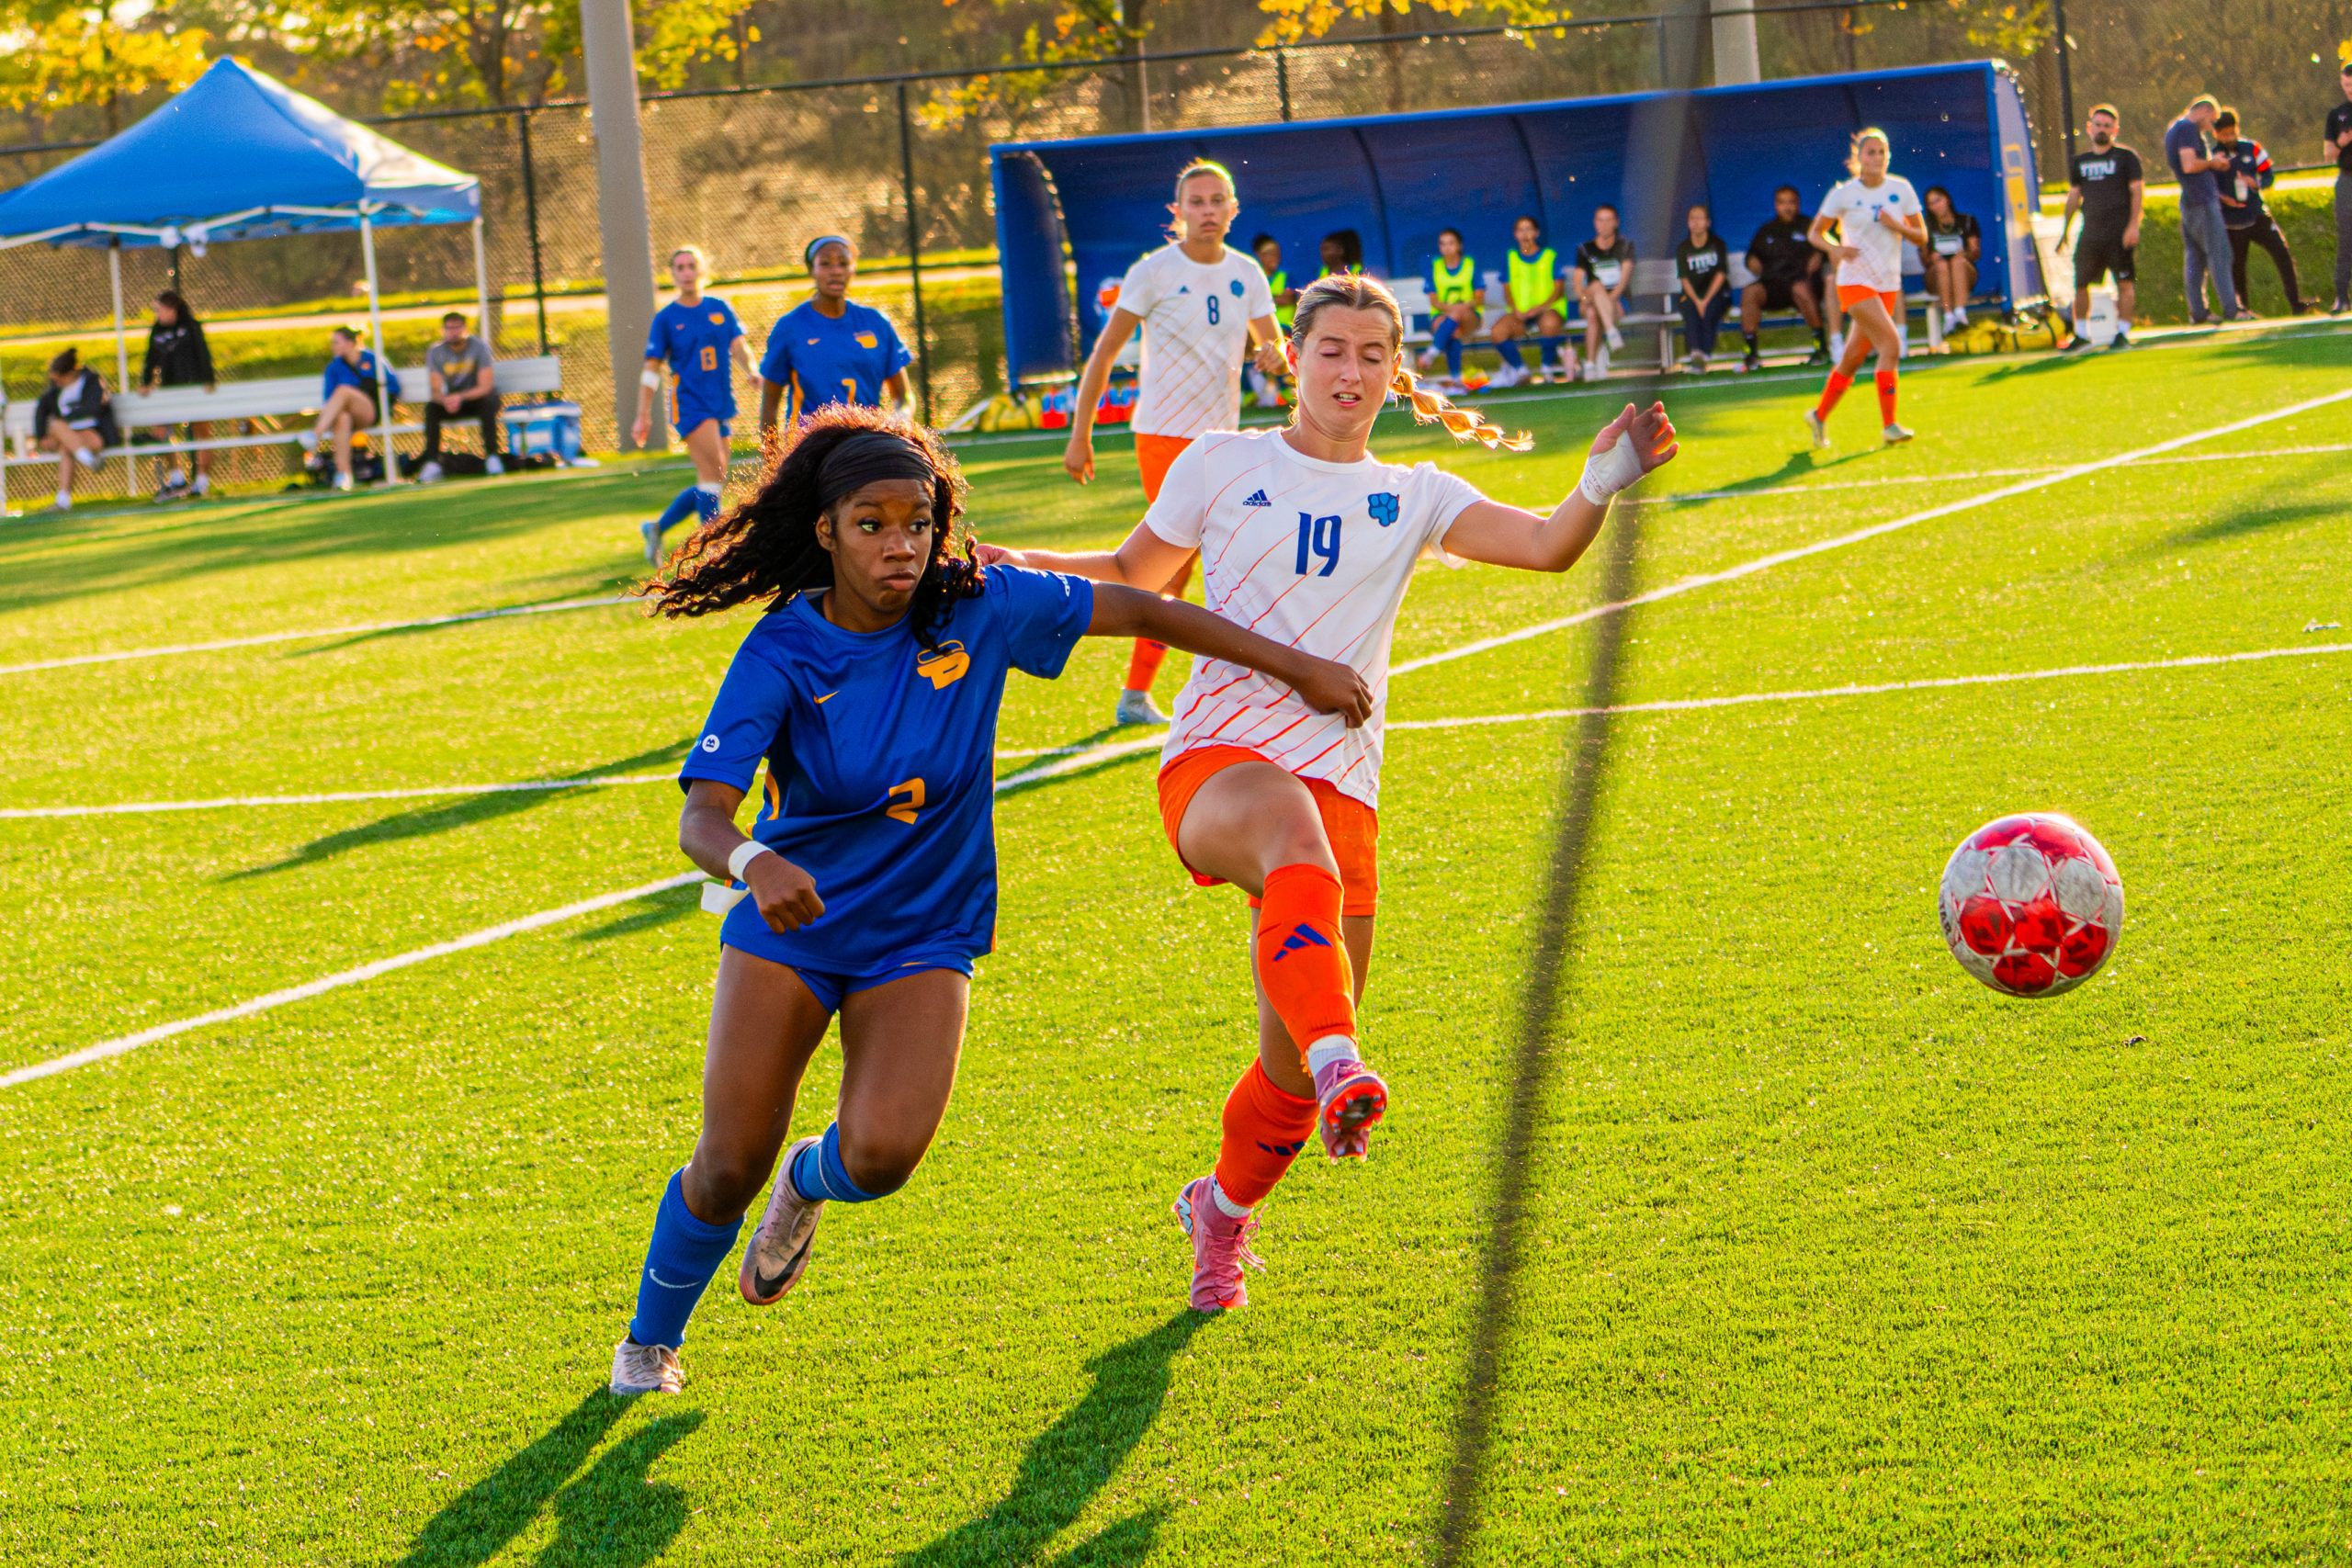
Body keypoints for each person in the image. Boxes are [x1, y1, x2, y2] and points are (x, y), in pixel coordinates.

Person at [605, 405, 1371, 1394]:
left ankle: (808, 1179)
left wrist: (1298, 667)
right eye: (872, 524)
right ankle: (648, 1343)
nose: (901, 545)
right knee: (725, 1164)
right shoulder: (782, 649)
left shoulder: (980, 605)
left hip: (925, 931)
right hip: (794, 926)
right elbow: (702, 817)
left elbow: (1146, 609)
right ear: (826, 530)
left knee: (881, 1157)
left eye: (918, 522)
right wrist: (754, 862)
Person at [977, 275, 1678, 1313]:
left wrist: (1604, 477)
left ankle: (1221, 1211)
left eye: (1371, 355)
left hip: (1344, 781)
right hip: (1221, 760)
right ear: (1291, 359)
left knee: (1292, 1070)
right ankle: (1347, 1057)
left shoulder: (1418, 493)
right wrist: (1018, 562)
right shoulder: (1222, 462)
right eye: (1332, 351)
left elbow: (1546, 547)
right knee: (1297, 878)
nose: (1350, 372)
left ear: (1395, 374)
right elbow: (1132, 569)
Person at [1060, 160, 1286, 729]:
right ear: (1178, 212)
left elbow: (1278, 350)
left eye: (1217, 201)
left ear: (1233, 210)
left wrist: (1276, 355)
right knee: (1178, 563)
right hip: (1163, 436)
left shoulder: (1247, 273)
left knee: (1239, 557)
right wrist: (1081, 434)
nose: (1208, 211)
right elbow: (1104, 355)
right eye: (1197, 202)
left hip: (1224, 443)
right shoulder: (1154, 271)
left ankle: (1235, 687)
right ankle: (1135, 693)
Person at [1805, 128, 1926, 449]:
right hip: (1854, 281)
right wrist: (1834, 249)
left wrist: (1897, 225)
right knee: (1891, 345)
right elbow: (1816, 233)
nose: (1877, 158)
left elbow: (1922, 236)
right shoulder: (1843, 194)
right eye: (1871, 152)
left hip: (1887, 283)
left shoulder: (1901, 189)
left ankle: (1818, 415)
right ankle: (1890, 425)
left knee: (1853, 359)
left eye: (1882, 152)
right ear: (1858, 158)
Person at [636, 245, 755, 565]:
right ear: (672, 274)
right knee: (712, 473)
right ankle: (715, 553)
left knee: (712, 479)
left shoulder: (719, 308)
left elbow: (739, 347)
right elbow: (651, 369)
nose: (686, 273)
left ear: (702, 270)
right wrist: (642, 415)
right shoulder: (666, 318)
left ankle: (656, 528)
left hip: (720, 404)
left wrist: (752, 371)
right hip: (690, 404)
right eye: (680, 267)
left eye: (691, 266)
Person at [756, 235, 913, 438]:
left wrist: (901, 416)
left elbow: (904, 397)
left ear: (853, 269)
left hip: (867, 442)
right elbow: (769, 404)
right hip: (811, 446)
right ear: (812, 269)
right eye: (825, 264)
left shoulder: (876, 323)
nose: (836, 271)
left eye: (843, 263)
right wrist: (772, 455)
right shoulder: (790, 327)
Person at [2061, 105, 2145, 352]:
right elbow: (2074, 196)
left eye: (2108, 126)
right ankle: (2081, 334)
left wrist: (2133, 225)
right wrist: (2065, 229)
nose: (2102, 129)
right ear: (2089, 128)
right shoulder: (2080, 162)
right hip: (2091, 233)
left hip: (2119, 232)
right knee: (2080, 284)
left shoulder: (2126, 158)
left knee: (2125, 283)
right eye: (2098, 125)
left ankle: (2123, 333)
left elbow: (2137, 192)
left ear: (2115, 130)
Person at [2212, 108, 2308, 315]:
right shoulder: (2213, 156)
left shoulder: (2252, 149)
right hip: (2232, 222)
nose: (2229, 138)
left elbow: (2268, 176)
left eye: (2232, 132)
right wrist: (2222, 198)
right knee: (2237, 267)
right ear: (2217, 134)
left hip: (2257, 214)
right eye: (2225, 134)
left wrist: (2257, 184)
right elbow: (2207, 187)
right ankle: (2243, 310)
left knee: (2282, 252)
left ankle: (2296, 302)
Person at [2166, 95, 2251, 325]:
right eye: (2212, 120)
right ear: (2204, 111)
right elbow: (2189, 164)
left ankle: (2199, 312)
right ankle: (2232, 310)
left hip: (2190, 200)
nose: (2212, 126)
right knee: (2220, 254)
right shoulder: (2187, 128)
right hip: (2202, 201)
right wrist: (2214, 163)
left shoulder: (2175, 129)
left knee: (2196, 257)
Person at [1739, 186, 1829, 372]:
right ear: (1776, 205)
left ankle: (1820, 347)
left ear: (1798, 204)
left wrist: (1819, 254)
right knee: (1750, 292)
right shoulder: (1767, 230)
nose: (1787, 207)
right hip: (1774, 285)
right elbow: (1752, 256)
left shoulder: (1809, 226)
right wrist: (1752, 261)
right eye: (1782, 203)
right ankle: (1751, 352)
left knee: (1800, 288)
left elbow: (1827, 249)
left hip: (1804, 284)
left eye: (1791, 202)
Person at [302, 327, 401, 492]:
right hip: (347, 415)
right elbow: (330, 401)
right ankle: (343, 474)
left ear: (349, 343)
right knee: (342, 418)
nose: (333, 346)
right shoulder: (334, 368)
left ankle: (315, 435)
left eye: (336, 342)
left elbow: (392, 388)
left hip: (370, 410)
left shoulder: (373, 360)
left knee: (343, 391)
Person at [141, 289, 214, 502]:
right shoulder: (157, 331)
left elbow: (203, 354)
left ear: (172, 309)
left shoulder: (191, 327)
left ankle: (202, 481)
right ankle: (176, 478)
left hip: (193, 389)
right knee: (161, 430)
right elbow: (151, 358)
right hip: (170, 391)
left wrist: (207, 379)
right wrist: (146, 382)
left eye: (160, 310)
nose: (158, 314)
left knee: (202, 432)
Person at [418, 311, 505, 484]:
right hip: (453, 403)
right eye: (449, 328)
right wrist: (446, 400)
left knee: (487, 404)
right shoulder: (436, 352)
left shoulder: (479, 348)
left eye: (457, 328)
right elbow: (435, 389)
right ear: (443, 330)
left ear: (465, 328)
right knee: (432, 409)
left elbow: (485, 386)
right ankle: (433, 462)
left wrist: (460, 397)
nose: (453, 332)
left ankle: (492, 456)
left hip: (476, 399)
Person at [1489, 214, 1572, 387]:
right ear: (1515, 234)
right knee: (1498, 332)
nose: (1525, 234)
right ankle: (1521, 370)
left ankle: (1547, 368)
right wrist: (1516, 309)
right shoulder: (1511, 258)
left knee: (1549, 323)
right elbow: (1507, 291)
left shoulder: (1549, 256)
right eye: (1521, 230)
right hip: (1521, 314)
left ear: (1536, 232)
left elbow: (1558, 289)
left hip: (1547, 310)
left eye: (1529, 229)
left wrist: (1540, 308)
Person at [31, 347, 115, 512]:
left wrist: (69, 417)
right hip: (62, 433)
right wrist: (42, 436)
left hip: (90, 433)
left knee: (65, 448)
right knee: (56, 425)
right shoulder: (55, 390)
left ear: (70, 373)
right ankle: (89, 460)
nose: (57, 383)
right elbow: (41, 411)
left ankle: (63, 501)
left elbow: (94, 408)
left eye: (60, 379)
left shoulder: (92, 381)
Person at [1569, 205, 1634, 381]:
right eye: (1600, 220)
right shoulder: (1585, 249)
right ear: (1595, 223)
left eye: (1608, 220)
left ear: (1616, 222)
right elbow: (1578, 283)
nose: (1604, 224)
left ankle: (1590, 365)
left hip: (1617, 303)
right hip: (1590, 300)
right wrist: (1585, 298)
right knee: (1596, 288)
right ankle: (1611, 333)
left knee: (1593, 311)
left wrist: (1605, 300)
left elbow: (1623, 281)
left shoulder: (1625, 246)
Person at [1417, 227, 1483, 389]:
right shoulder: (1435, 267)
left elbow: (1479, 299)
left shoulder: (1470, 265)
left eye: (1451, 243)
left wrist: (1460, 308)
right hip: (1443, 318)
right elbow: (1434, 302)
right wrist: (1453, 310)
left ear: (1459, 245)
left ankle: (1433, 352)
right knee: (1453, 330)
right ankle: (1457, 380)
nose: (1447, 247)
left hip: (1470, 318)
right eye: (1443, 243)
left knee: (1456, 316)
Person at [1674, 204, 1730, 373]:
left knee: (1710, 309)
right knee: (1690, 309)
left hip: (1716, 293)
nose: (1696, 222)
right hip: (1692, 295)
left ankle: (1705, 353)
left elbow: (1721, 274)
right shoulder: (1683, 248)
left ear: (1708, 222)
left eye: (1700, 218)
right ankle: (1696, 352)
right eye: (1692, 218)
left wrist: (1705, 300)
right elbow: (1684, 279)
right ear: (1687, 222)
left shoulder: (1717, 244)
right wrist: (1698, 301)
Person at [1918, 186, 1982, 334]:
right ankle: (1948, 316)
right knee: (1942, 265)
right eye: (1931, 203)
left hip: (1964, 271)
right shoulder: (1926, 227)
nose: (1936, 206)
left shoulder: (1967, 221)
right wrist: (1933, 257)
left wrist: (1965, 253)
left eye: (1938, 200)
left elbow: (1975, 254)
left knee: (1957, 262)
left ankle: (1960, 313)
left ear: (1947, 199)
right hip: (1937, 275)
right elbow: (1925, 261)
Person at [1249, 232, 1295, 408]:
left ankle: (1286, 387)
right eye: (1268, 253)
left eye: (1276, 253)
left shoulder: (1285, 276)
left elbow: (1287, 298)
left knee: (1276, 342)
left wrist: (1259, 301)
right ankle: (1252, 390)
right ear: (1259, 255)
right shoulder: (1253, 278)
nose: (1274, 257)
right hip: (1257, 331)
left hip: (1286, 328)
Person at [2328, 60, 2352, 314]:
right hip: (2348, 181)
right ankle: (2342, 297)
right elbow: (2328, 153)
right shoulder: (2338, 115)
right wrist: (2341, 142)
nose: (2350, 90)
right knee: (2347, 240)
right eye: (2346, 85)